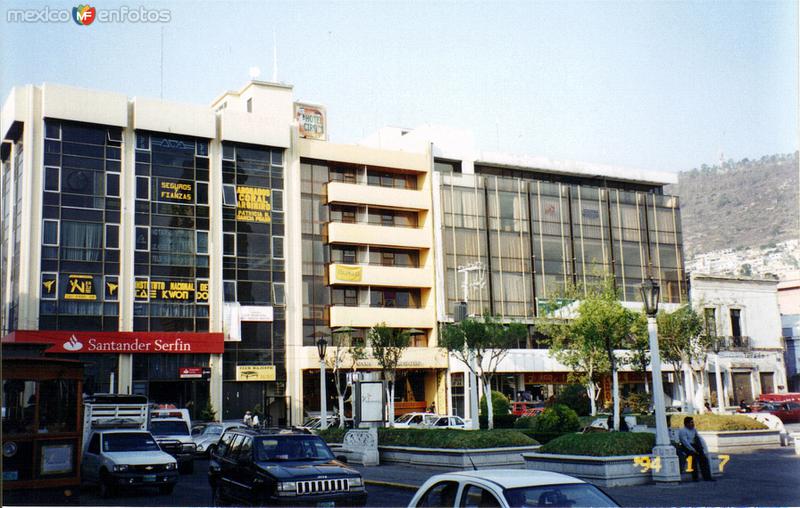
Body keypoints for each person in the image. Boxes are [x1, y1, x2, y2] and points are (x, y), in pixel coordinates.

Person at [677, 416, 714, 481]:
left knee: (704, 459)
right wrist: (693, 450)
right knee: (693, 459)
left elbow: (698, 438)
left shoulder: (694, 430)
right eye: (691, 422)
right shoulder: (683, 431)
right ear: (686, 423)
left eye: (693, 422)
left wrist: (703, 448)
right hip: (686, 447)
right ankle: (695, 477)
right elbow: (685, 442)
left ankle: (707, 477)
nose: (693, 424)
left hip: (695, 446)